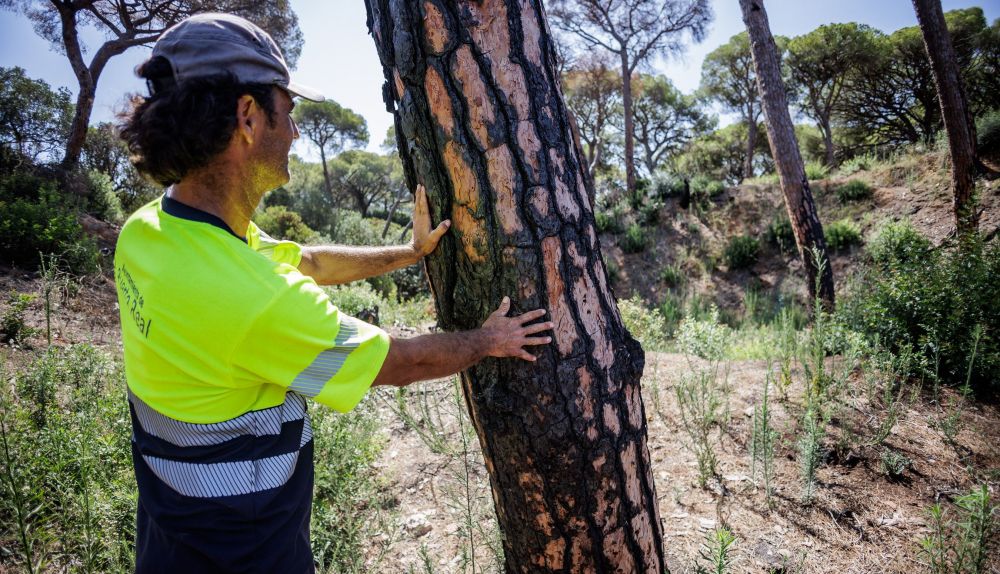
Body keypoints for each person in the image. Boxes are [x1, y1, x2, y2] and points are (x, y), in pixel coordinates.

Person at [114, 13, 552, 573]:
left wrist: (407, 253)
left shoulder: (149, 231)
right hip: (246, 551)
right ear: (248, 117)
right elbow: (397, 362)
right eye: (288, 113)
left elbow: (309, 261)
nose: (294, 132)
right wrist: (492, 339)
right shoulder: (257, 300)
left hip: (165, 537)